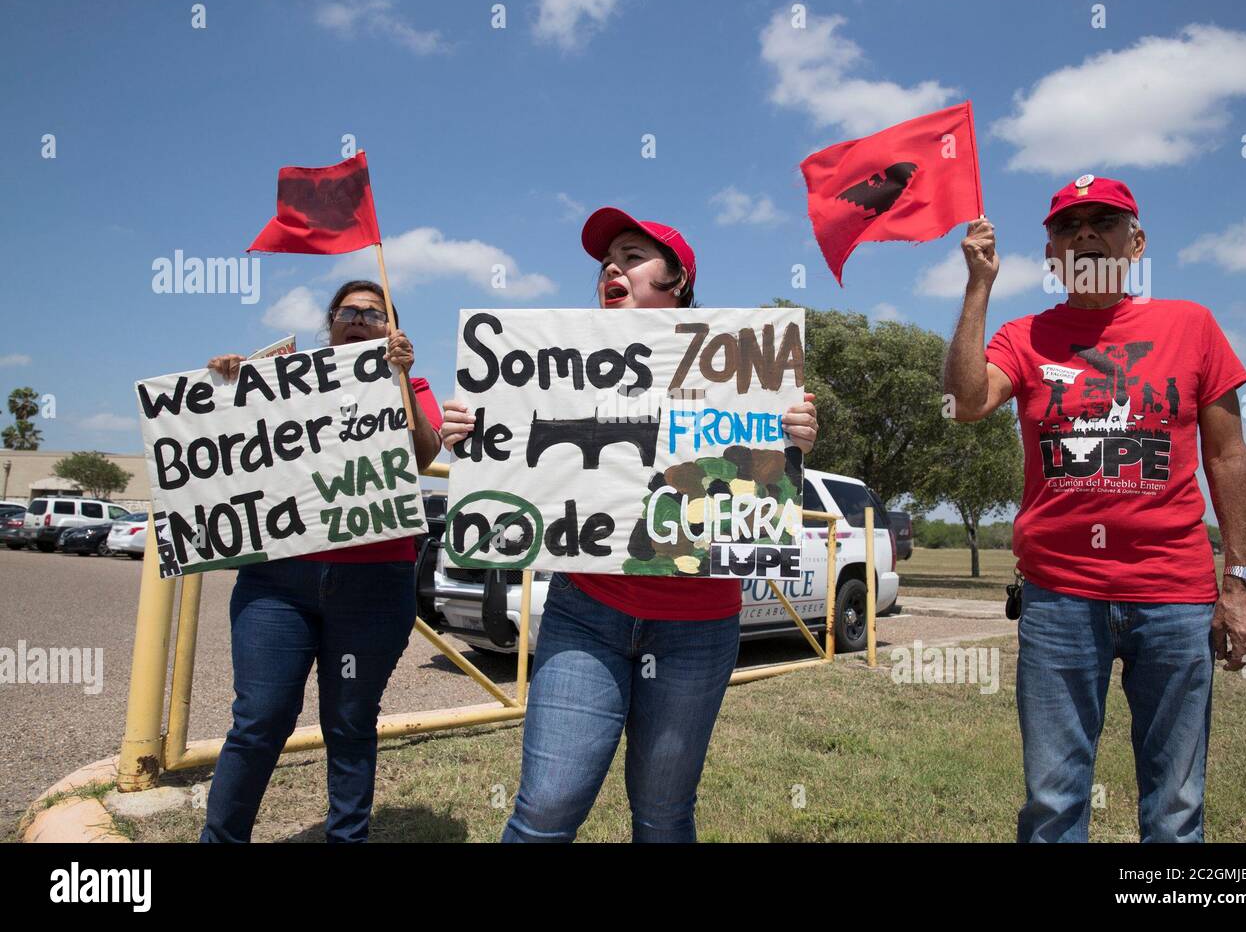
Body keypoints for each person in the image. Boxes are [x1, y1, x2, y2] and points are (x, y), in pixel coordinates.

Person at [440, 208, 818, 842]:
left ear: (679, 281)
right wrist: (473, 436)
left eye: (633, 254)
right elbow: (517, 455)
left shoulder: (742, 367)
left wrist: (794, 437)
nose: (611, 266)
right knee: (546, 808)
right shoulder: (549, 365)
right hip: (586, 612)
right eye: (605, 260)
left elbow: (752, 474)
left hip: (698, 629)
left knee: (664, 814)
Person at [943, 176, 1246, 842]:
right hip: (1060, 597)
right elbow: (965, 402)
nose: (1085, 234)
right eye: (1069, 226)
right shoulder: (1025, 334)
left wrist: (1239, 582)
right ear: (1050, 252)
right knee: (1055, 802)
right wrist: (978, 285)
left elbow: (1228, 458)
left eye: (1104, 222)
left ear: (1137, 241)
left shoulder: (1192, 326)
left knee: (1176, 808)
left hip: (1174, 596)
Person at [199, 279, 443, 842]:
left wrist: (401, 379)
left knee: (351, 722)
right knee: (259, 720)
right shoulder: (282, 383)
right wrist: (228, 381)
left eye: (373, 314)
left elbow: (424, 451)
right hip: (278, 582)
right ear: (330, 324)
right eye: (346, 311)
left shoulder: (411, 381)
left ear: (393, 330)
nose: (358, 319)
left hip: (374, 583)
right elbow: (220, 440)